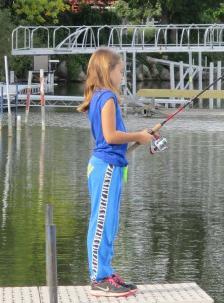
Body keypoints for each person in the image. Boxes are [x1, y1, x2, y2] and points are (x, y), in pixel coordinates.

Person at [77, 48, 157, 297]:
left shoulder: (99, 97)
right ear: (107, 70)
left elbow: (109, 139)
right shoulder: (107, 98)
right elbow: (110, 136)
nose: (123, 77)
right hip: (105, 168)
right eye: (120, 72)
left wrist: (141, 139)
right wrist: (139, 137)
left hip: (109, 165)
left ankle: (106, 273)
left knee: (108, 222)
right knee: (101, 223)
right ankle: (99, 279)